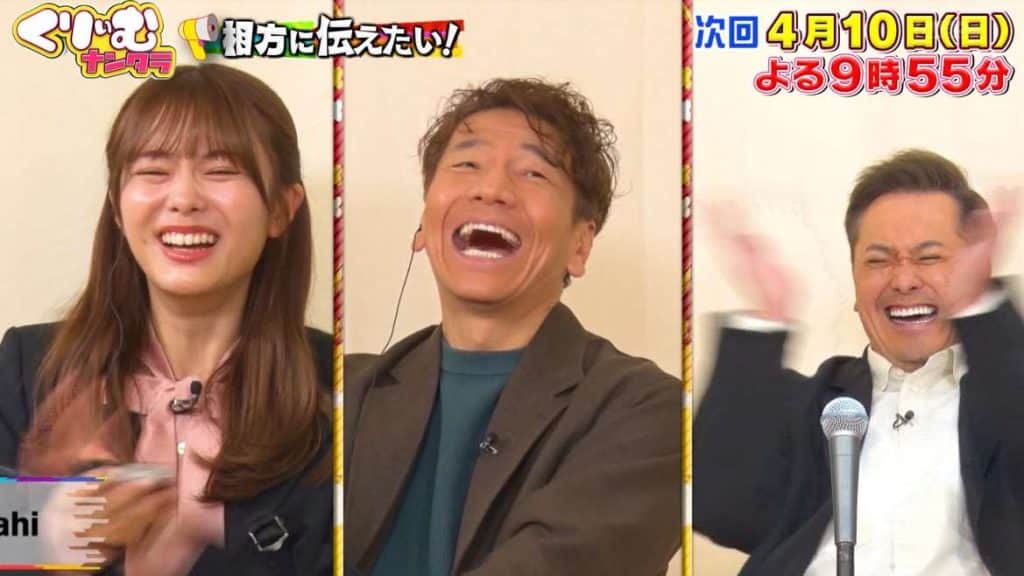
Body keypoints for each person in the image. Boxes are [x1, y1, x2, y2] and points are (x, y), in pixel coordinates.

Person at [0, 63, 333, 575]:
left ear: (280, 210)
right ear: (117, 205)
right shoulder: (30, 366)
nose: (183, 200)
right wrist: (54, 528)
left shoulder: (340, 389)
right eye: (153, 171)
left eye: (221, 170)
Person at [343, 78, 681, 575]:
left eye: (533, 173)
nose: (492, 190)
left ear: (580, 245)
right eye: (467, 165)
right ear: (424, 224)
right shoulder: (342, 393)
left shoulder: (645, 412)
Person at [694, 149, 1024, 575]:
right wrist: (763, 323)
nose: (903, 280)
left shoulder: (1001, 396)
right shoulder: (816, 404)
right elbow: (721, 509)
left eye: (929, 257)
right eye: (878, 260)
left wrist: (983, 313)